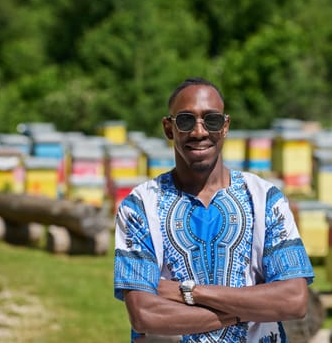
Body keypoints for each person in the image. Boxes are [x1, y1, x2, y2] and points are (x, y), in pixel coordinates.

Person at [114, 77, 315, 342]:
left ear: (225, 126)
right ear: (168, 128)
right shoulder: (139, 206)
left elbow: (294, 300)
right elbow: (144, 314)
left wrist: (192, 292)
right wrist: (248, 309)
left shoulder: (265, 199)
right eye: (186, 120)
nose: (199, 131)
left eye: (212, 120)